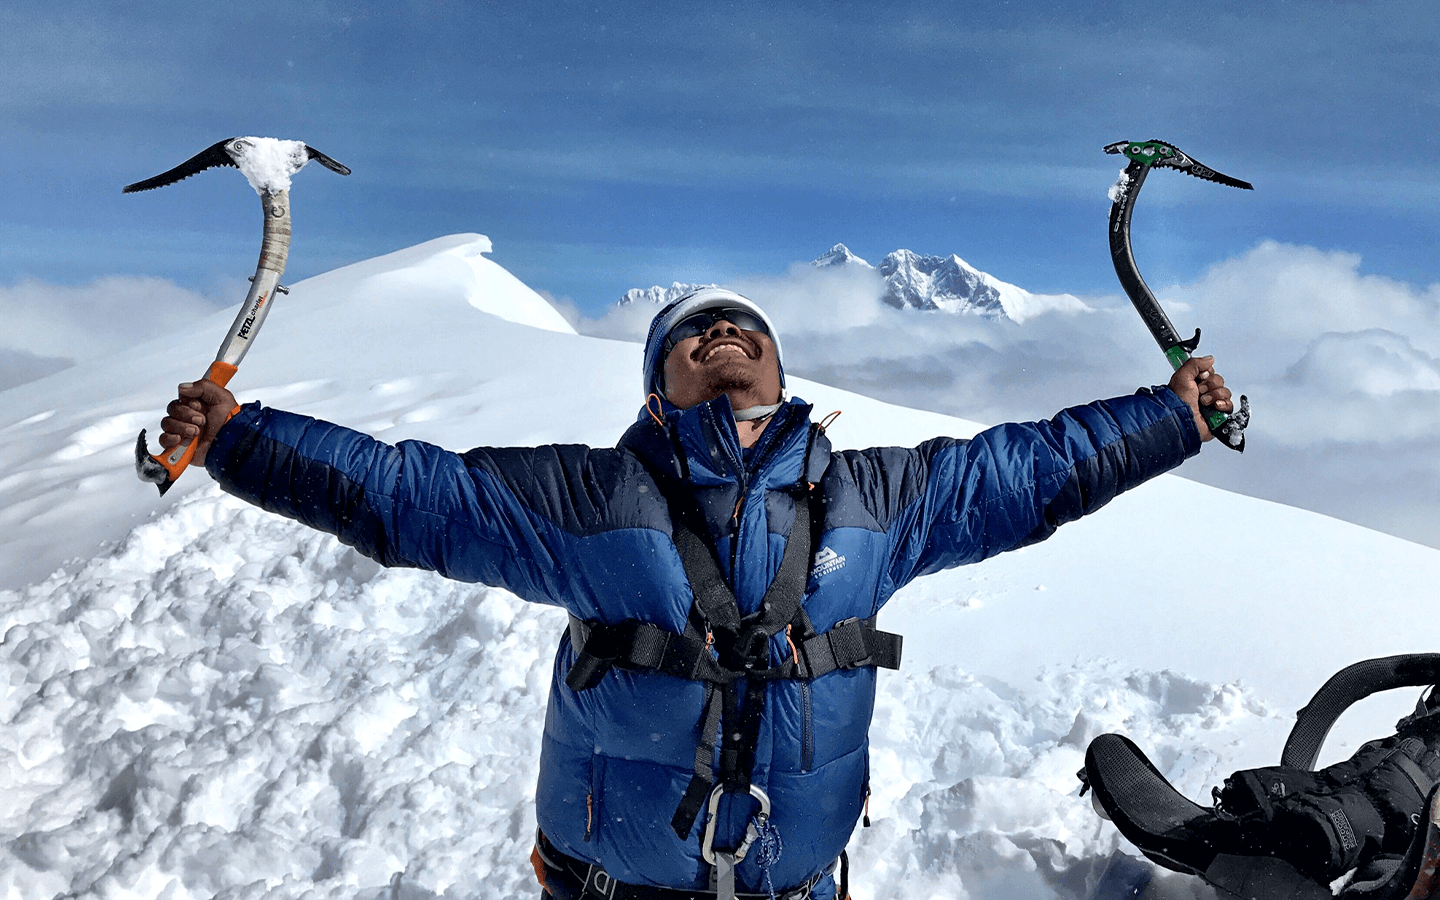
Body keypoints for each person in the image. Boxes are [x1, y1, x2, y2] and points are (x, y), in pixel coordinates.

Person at [159, 287, 1234, 900]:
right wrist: (239, 440)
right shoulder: (591, 496)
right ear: (657, 381)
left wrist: (1174, 415)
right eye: (693, 332)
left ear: (780, 371)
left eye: (746, 331)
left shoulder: (877, 498)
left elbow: (1033, 471)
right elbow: (412, 496)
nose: (723, 336)